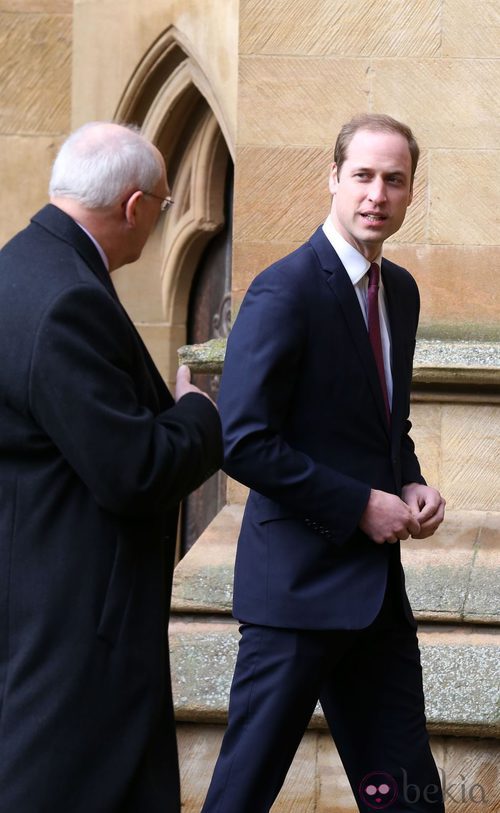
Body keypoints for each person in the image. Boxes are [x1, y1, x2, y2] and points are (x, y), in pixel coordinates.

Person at [202, 114, 446, 812]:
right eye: (363, 175)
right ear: (333, 178)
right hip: (296, 594)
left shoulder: (398, 290)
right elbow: (242, 438)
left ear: (409, 192)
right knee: (241, 795)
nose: (377, 193)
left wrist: (409, 479)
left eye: (393, 180)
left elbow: (381, 424)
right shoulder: (285, 289)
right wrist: (359, 504)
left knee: (409, 797)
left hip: (374, 599)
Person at [0, 122, 223, 812]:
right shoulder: (69, 298)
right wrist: (197, 412)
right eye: (160, 206)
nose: (158, 220)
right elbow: (133, 471)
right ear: (134, 206)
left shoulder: (18, 265)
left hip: (36, 588)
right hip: (78, 619)